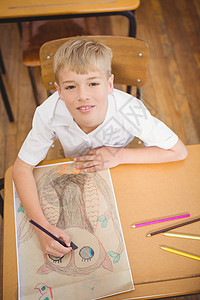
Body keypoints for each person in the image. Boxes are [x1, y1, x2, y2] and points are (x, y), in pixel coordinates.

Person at [12, 37, 188, 258]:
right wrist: (43, 229)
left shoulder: (130, 110)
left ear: (110, 84)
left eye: (93, 83)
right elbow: (21, 169)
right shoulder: (48, 113)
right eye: (70, 86)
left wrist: (119, 155)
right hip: (80, 175)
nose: (83, 95)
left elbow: (179, 151)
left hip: (122, 172)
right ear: (58, 90)